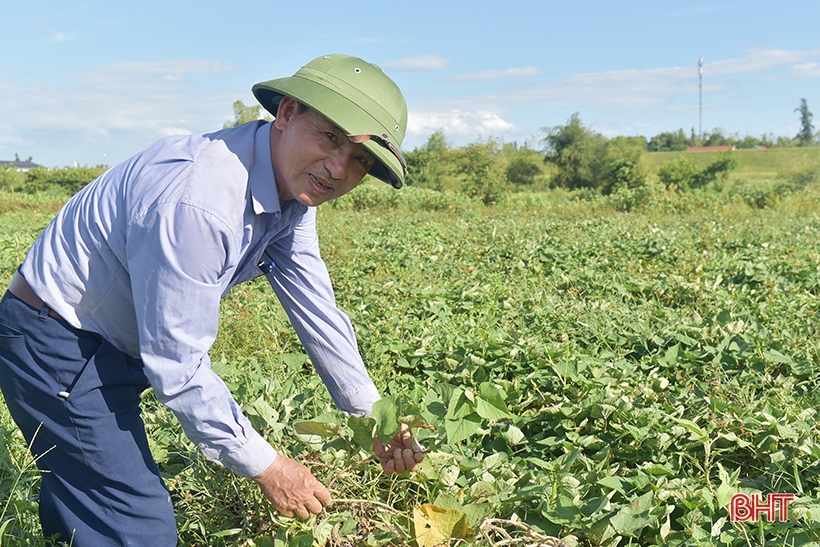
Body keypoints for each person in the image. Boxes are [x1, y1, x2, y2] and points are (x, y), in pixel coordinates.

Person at [0, 53, 424, 545]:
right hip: (57, 340)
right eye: (331, 138)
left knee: (91, 501)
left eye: (360, 160)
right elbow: (177, 366)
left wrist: (372, 417)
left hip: (107, 337)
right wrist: (267, 467)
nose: (338, 169)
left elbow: (316, 308)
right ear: (286, 114)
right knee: (137, 525)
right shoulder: (201, 202)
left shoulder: (290, 185)